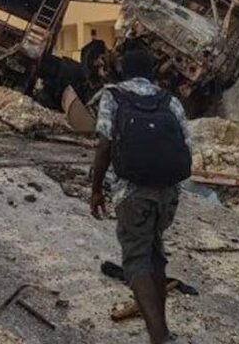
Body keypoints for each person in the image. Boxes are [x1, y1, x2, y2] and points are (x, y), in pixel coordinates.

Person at [90, 47, 191, 344]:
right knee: (154, 255)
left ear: (123, 70)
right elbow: (186, 143)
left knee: (135, 262)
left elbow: (104, 145)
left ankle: (159, 337)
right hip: (168, 194)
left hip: (133, 193)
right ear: (151, 73)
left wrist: (96, 189)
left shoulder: (113, 95)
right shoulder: (169, 100)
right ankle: (163, 331)